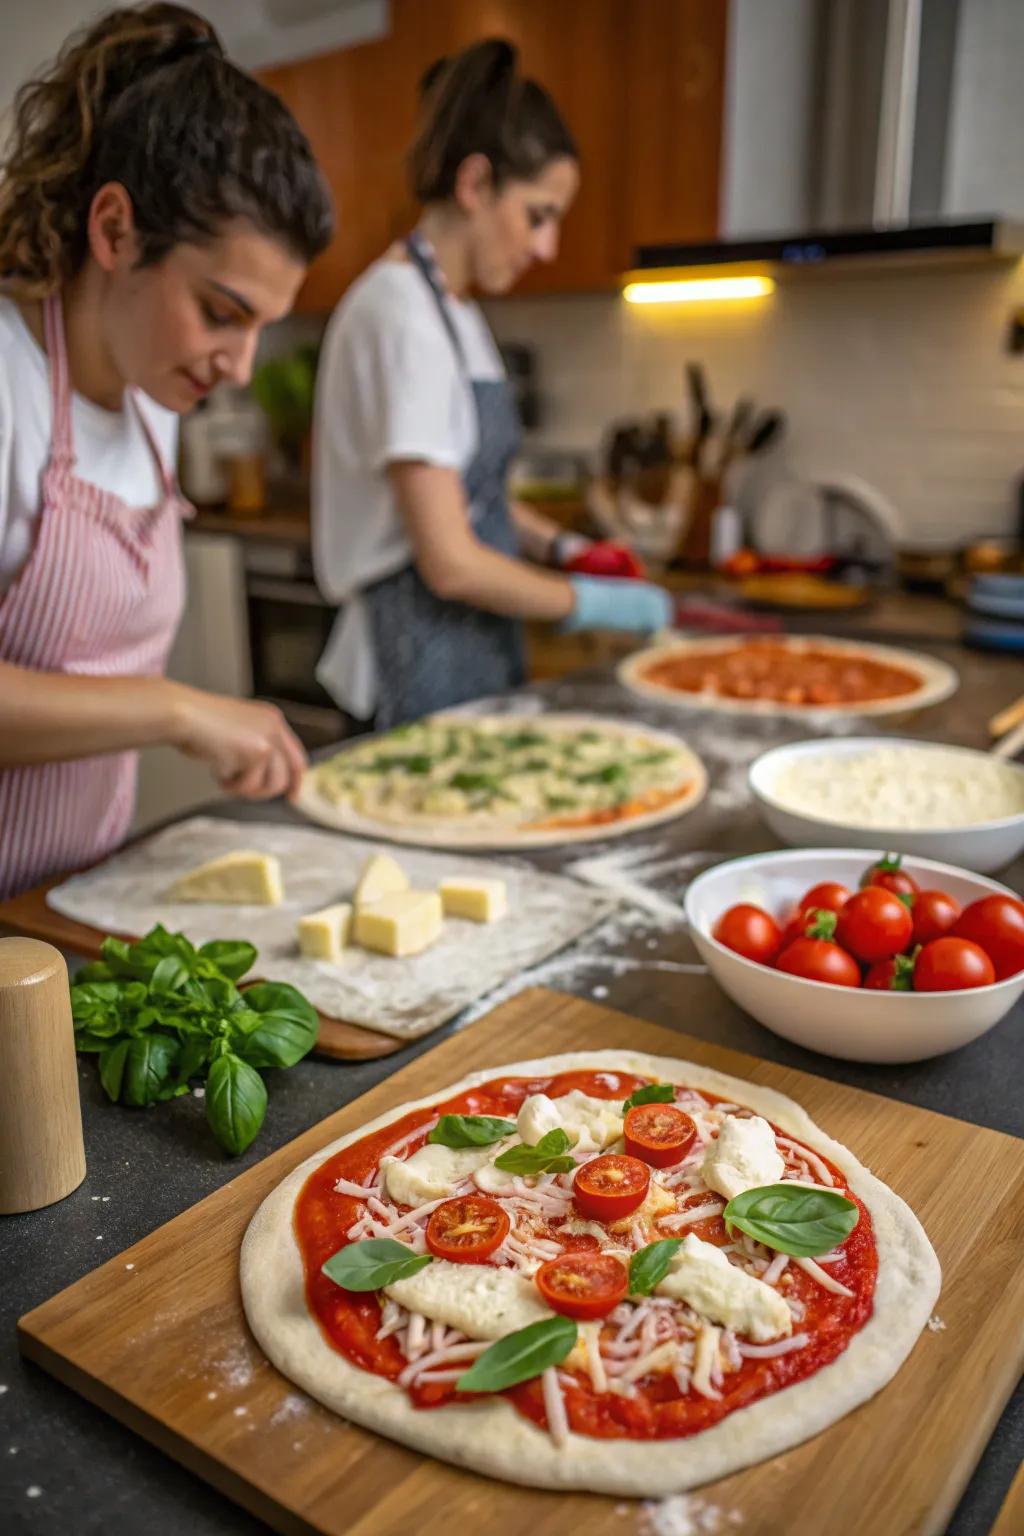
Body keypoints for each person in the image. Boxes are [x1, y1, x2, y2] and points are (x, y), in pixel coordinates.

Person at [0, 3, 333, 899]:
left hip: (69, 903)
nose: (240, 364)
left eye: (262, 326)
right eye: (223, 313)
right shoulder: (8, 381)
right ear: (114, 231)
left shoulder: (156, 404)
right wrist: (178, 710)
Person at [312, 38, 672, 730]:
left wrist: (561, 547)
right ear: (475, 186)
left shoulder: (456, 312)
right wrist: (589, 604)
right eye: (538, 215)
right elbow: (448, 561)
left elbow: (471, 496)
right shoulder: (399, 316)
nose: (547, 248)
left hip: (472, 647)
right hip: (410, 657)